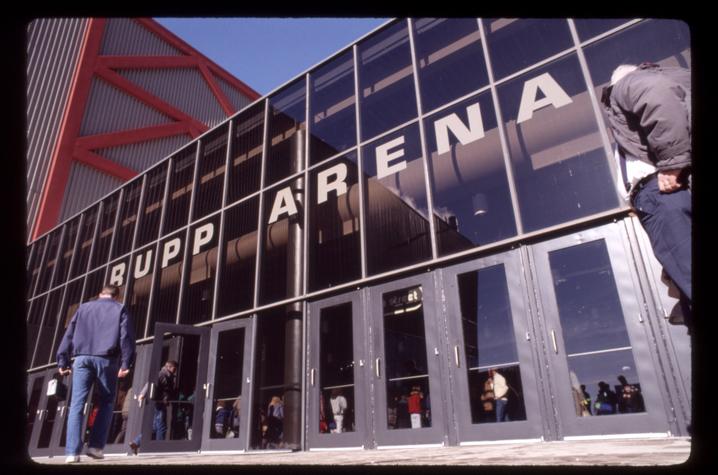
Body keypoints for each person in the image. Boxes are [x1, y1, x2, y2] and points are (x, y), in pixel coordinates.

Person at [601, 62, 692, 330]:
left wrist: (671, 163)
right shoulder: (679, 79)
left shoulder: (628, 83)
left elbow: (657, 93)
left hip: (664, 191)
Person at [56, 284, 135, 464]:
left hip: (81, 359)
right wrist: (125, 363)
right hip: (106, 360)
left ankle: (71, 453)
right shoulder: (120, 308)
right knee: (107, 401)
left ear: (101, 294)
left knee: (77, 404)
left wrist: (62, 360)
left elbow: (69, 334)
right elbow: (126, 337)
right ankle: (95, 447)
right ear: (117, 296)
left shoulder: (83, 308)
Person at [128, 360, 179, 454]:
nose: (175, 371)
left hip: (160, 402)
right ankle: (159, 448)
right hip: (158, 403)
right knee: (161, 427)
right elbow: (150, 384)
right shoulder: (162, 374)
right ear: (169, 367)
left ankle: (136, 443)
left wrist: (166, 397)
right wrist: (142, 395)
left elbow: (166, 390)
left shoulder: (168, 375)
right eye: (174, 369)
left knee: (154, 427)